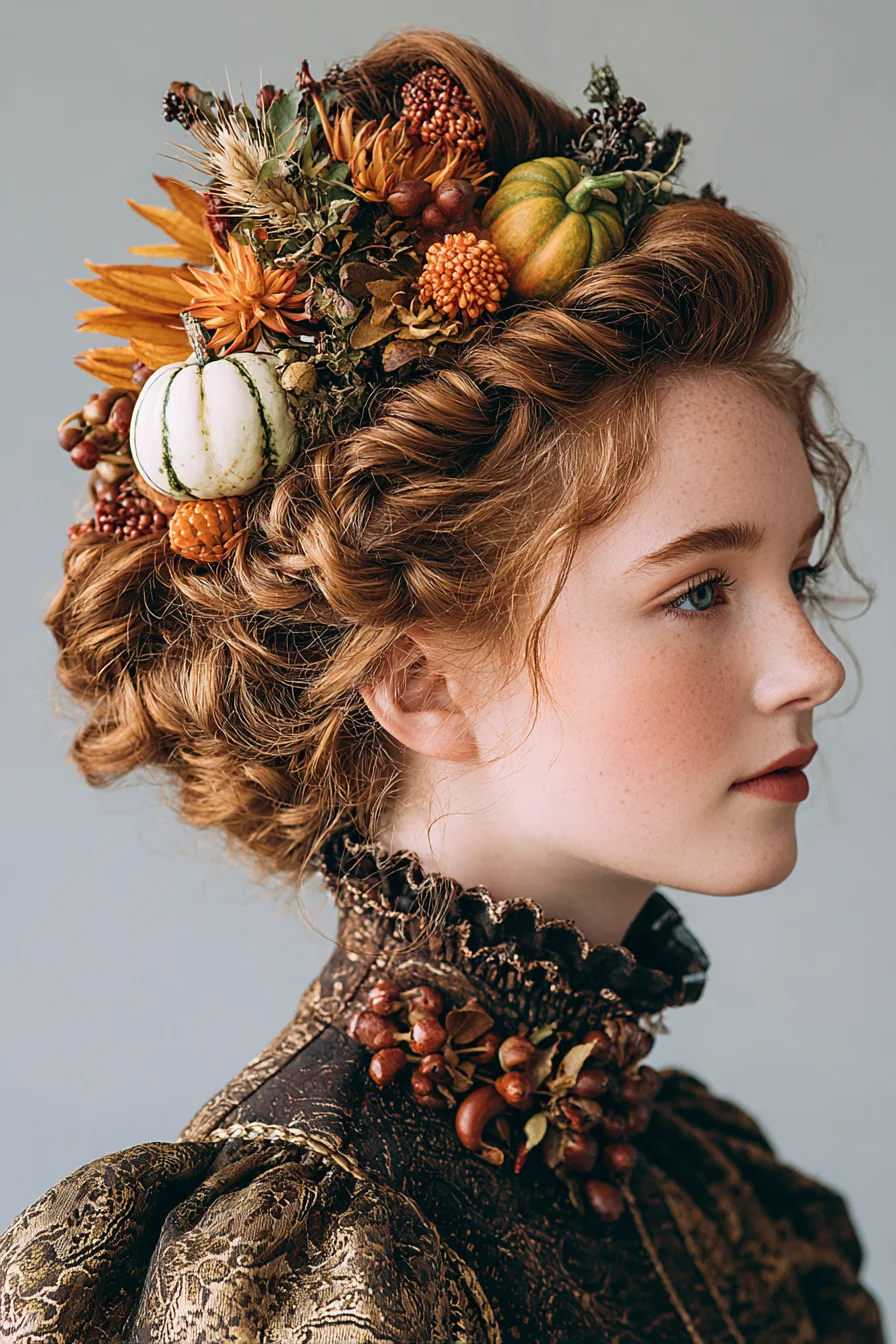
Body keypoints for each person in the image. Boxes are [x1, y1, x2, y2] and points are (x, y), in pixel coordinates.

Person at [0, 27, 884, 1344]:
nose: (812, 665)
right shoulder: (316, 1257)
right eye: (700, 591)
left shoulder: (712, 1184)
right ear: (420, 683)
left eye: (797, 581)